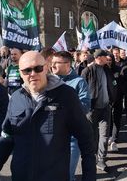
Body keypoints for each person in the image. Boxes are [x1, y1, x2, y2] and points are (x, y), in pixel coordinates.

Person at [0, 51, 96, 181]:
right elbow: (6, 140)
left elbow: (86, 139)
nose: (33, 74)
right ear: (20, 73)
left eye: (38, 68)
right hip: (21, 176)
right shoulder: (16, 98)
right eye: (27, 70)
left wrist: (89, 177)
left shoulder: (66, 95)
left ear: (46, 68)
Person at [51, 51, 91, 181]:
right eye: (52, 62)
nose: (52, 66)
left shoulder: (79, 82)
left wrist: (61, 107)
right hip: (51, 137)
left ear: (67, 64)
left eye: (56, 63)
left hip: (71, 139)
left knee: (67, 175)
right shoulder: (49, 81)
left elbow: (85, 106)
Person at [82, 49, 117, 172]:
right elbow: (82, 90)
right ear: (98, 58)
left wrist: (113, 98)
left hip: (106, 107)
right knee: (93, 135)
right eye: (103, 57)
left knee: (104, 134)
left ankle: (101, 159)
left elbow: (113, 84)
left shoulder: (107, 70)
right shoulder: (87, 71)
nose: (106, 59)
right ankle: (93, 157)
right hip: (92, 109)